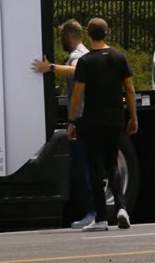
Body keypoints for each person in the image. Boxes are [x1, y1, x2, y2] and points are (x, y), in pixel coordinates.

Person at [66, 17, 138, 232]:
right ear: (107, 33)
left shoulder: (86, 61)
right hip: (115, 119)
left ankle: (101, 219)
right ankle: (122, 207)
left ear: (88, 34)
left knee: (95, 168)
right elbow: (130, 90)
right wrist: (133, 117)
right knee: (112, 163)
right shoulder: (119, 58)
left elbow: (77, 94)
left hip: (92, 120)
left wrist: (71, 121)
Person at [31, 20, 94, 228]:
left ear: (69, 35)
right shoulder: (84, 53)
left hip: (82, 119)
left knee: (82, 170)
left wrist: (48, 67)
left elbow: (75, 72)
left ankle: (91, 214)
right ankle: (95, 213)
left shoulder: (78, 56)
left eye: (62, 37)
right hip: (87, 118)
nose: (61, 42)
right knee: (88, 169)